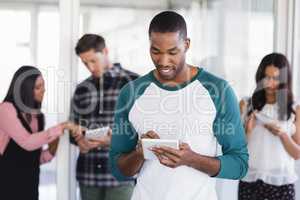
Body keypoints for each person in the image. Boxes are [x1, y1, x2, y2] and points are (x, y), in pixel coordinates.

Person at [109, 11, 249, 200]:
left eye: (172, 52)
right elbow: (118, 170)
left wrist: (191, 159)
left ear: (186, 44)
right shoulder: (131, 93)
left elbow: (239, 165)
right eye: (156, 51)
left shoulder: (218, 91)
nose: (164, 61)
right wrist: (139, 153)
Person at [70, 34, 139, 200]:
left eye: (93, 60)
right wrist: (78, 139)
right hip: (88, 175)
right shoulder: (81, 89)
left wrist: (115, 140)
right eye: (85, 63)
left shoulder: (133, 83)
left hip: (121, 175)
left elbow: (145, 132)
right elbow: (73, 125)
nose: (90, 67)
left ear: (106, 51)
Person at [0, 66, 82, 200]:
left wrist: (52, 147)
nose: (44, 90)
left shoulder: (38, 117)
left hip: (29, 187)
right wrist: (63, 126)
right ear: (25, 90)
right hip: (6, 185)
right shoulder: (5, 109)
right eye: (38, 87)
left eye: (43, 86)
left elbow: (35, 158)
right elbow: (27, 142)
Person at [238, 53, 300, 200]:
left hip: (281, 181)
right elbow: (237, 148)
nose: (270, 83)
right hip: (249, 179)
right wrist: (248, 131)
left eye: (276, 78)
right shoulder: (246, 104)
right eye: (266, 77)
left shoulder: (295, 109)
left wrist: (282, 134)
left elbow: (297, 153)